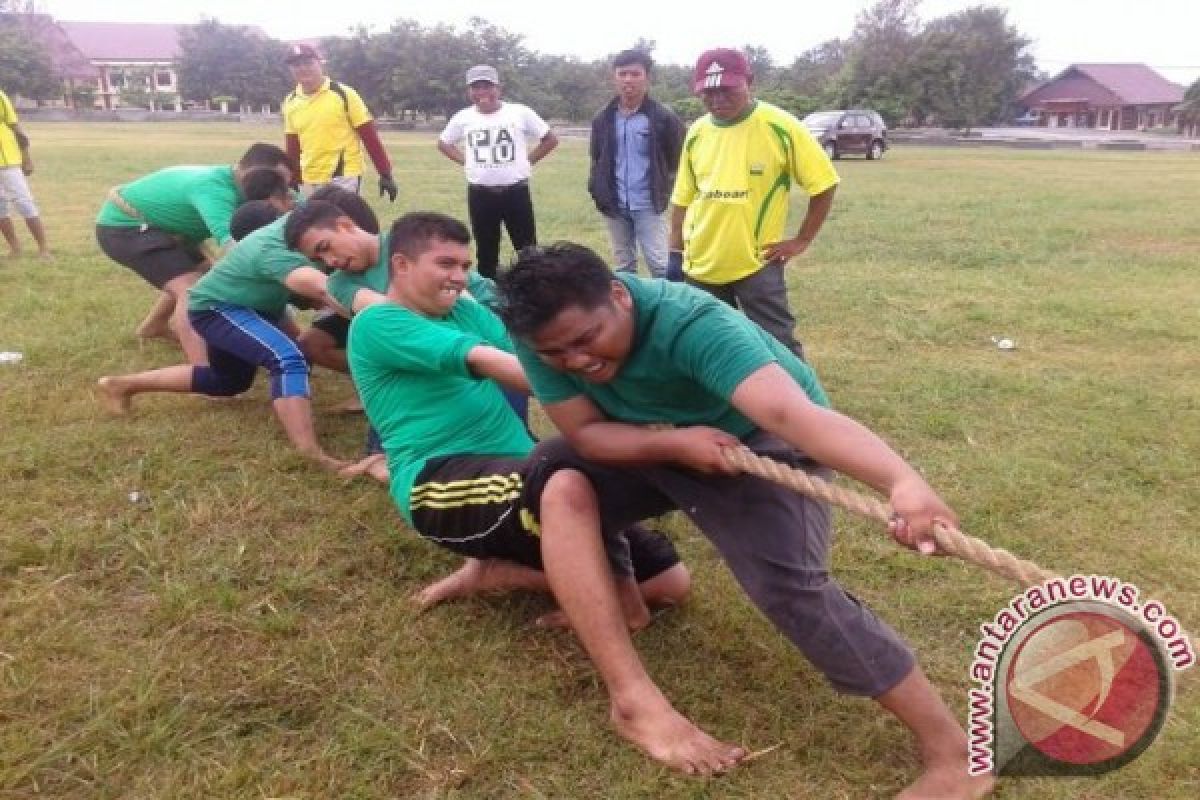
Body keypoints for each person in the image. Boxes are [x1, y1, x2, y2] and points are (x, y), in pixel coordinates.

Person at [494, 243, 995, 797]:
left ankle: (955, 753)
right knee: (555, 476)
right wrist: (678, 443)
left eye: (588, 339)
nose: (577, 361)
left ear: (619, 294)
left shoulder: (693, 324)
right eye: (556, 353)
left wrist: (902, 482)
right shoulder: (537, 331)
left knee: (791, 589)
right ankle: (633, 688)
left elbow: (789, 415)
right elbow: (586, 434)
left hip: (758, 444)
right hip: (654, 438)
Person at [291, 208, 689, 617]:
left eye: (464, 266)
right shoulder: (378, 322)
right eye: (445, 264)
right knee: (569, 481)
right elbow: (491, 361)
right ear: (401, 265)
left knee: (670, 581)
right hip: (438, 480)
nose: (460, 277)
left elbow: (530, 356)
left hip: (520, 465)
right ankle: (537, 577)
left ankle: (505, 571)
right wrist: (623, 393)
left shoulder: (464, 311)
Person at [96, 199, 378, 475]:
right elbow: (322, 290)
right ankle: (310, 453)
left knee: (227, 381)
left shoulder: (307, 221)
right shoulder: (274, 247)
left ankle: (121, 385)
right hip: (216, 308)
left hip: (256, 308)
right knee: (286, 356)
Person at [668, 48, 839, 361]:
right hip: (702, 263)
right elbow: (682, 201)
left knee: (778, 343)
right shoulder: (697, 132)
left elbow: (825, 183)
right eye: (708, 92)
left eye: (726, 89)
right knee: (711, 343)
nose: (717, 99)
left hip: (756, 262)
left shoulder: (781, 126)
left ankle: (799, 404)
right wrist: (675, 256)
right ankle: (725, 404)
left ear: (749, 81)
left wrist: (802, 240)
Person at [95, 142, 293, 364]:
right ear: (248, 173)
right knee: (191, 290)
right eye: (277, 184)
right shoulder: (214, 189)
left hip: (168, 230)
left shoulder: (255, 186)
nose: (281, 190)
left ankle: (154, 326)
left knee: (204, 277)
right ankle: (203, 369)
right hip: (125, 227)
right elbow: (234, 247)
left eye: (285, 184)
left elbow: (299, 208)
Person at [437, 65, 558, 279]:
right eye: (476, 87)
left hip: (516, 192)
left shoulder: (519, 112)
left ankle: (532, 294)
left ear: (498, 88)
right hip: (480, 194)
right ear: (469, 92)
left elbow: (550, 139)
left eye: (487, 86)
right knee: (486, 251)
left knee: (527, 250)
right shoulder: (463, 117)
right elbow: (444, 143)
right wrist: (467, 161)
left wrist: (528, 160)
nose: (482, 92)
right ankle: (489, 299)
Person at [587, 50, 685, 279]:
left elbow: (678, 157)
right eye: (622, 74)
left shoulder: (663, 117)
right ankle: (632, 310)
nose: (628, 79)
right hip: (614, 202)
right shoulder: (603, 118)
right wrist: (597, 189)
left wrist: (665, 188)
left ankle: (669, 310)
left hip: (648, 202)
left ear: (647, 78)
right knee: (624, 267)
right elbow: (596, 157)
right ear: (614, 78)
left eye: (635, 73)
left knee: (659, 264)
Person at [282, 43, 397, 201]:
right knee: (316, 225)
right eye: (296, 65)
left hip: (344, 176)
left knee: (342, 223)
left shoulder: (344, 94)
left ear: (320, 63)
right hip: (310, 177)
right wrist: (292, 178)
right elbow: (293, 145)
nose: (303, 69)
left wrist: (385, 173)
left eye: (308, 63)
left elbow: (369, 136)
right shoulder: (291, 101)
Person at [0, 87, 50, 258]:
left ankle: (43, 248)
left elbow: (17, 129)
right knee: (0, 209)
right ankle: (15, 248)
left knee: (24, 203)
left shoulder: (0, 96)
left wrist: (26, 158)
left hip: (9, 162)